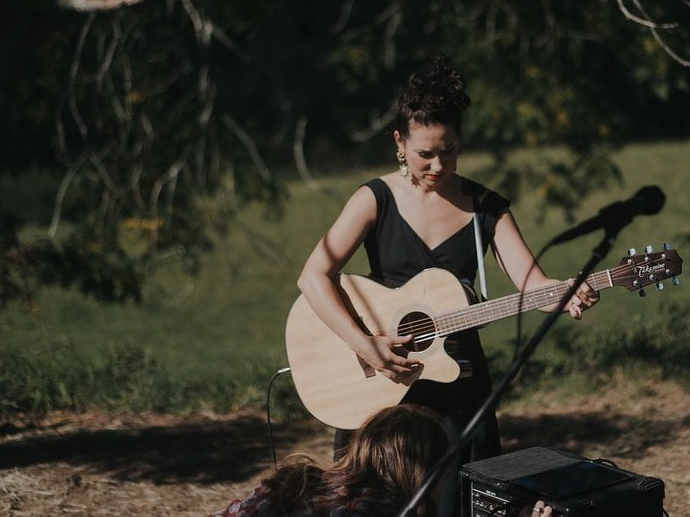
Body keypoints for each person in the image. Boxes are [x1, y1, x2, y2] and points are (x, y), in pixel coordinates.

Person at [295, 57, 599, 515]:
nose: (439, 165)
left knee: (459, 503)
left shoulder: (485, 207)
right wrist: (365, 345)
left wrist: (564, 292)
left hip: (458, 384)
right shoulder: (375, 199)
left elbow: (532, 282)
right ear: (399, 142)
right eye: (426, 154)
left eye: (450, 151)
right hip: (384, 378)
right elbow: (313, 275)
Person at [208, 404, 449, 516]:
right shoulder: (384, 510)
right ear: (423, 470)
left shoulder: (297, 481)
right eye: (445, 470)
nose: (448, 480)